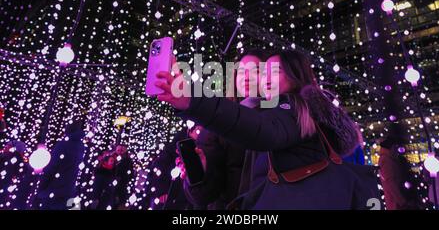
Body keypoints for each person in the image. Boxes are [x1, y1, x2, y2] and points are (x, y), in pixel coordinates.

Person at [155, 49, 380, 209]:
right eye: (264, 73)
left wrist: (191, 99)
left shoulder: (292, 108)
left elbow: (263, 131)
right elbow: (205, 194)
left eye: (271, 71)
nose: (263, 79)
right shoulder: (224, 121)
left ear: (294, 74)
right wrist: (199, 172)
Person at [180, 49, 268, 209]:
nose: (246, 77)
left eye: (255, 70)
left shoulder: (279, 118)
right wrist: (199, 173)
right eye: (241, 71)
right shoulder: (220, 119)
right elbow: (204, 196)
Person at [35, 120, 86, 210]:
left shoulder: (63, 145)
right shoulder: (81, 146)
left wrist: (41, 187)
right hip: (70, 189)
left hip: (55, 190)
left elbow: (52, 167)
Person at [113, 144, 134, 209]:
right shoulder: (113, 158)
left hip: (122, 182)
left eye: (122, 150)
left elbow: (130, 172)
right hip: (114, 181)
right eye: (119, 150)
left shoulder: (127, 160)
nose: (120, 151)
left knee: (120, 198)